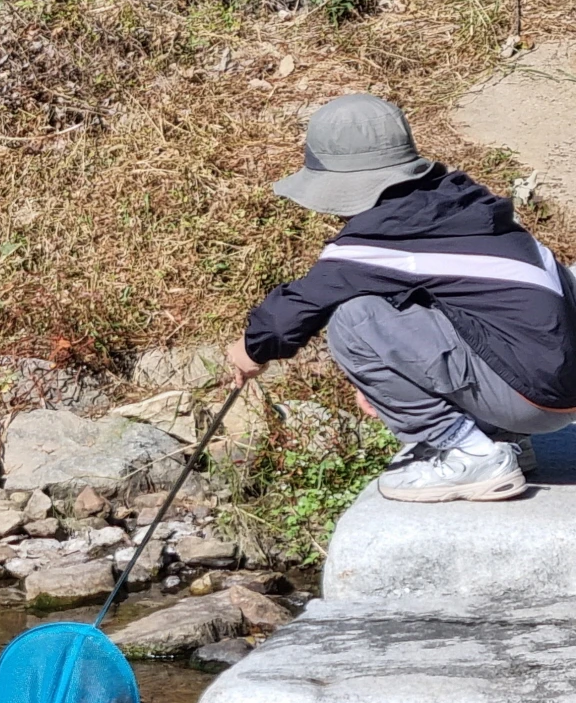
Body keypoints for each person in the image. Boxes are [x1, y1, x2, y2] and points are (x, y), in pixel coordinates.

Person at [227, 93, 576, 503]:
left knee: (354, 320)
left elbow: (293, 312)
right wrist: (399, 379)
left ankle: (468, 453)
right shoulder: (459, 210)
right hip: (557, 389)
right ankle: (501, 439)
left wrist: (250, 351)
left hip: (530, 397)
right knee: (446, 306)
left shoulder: (379, 239)